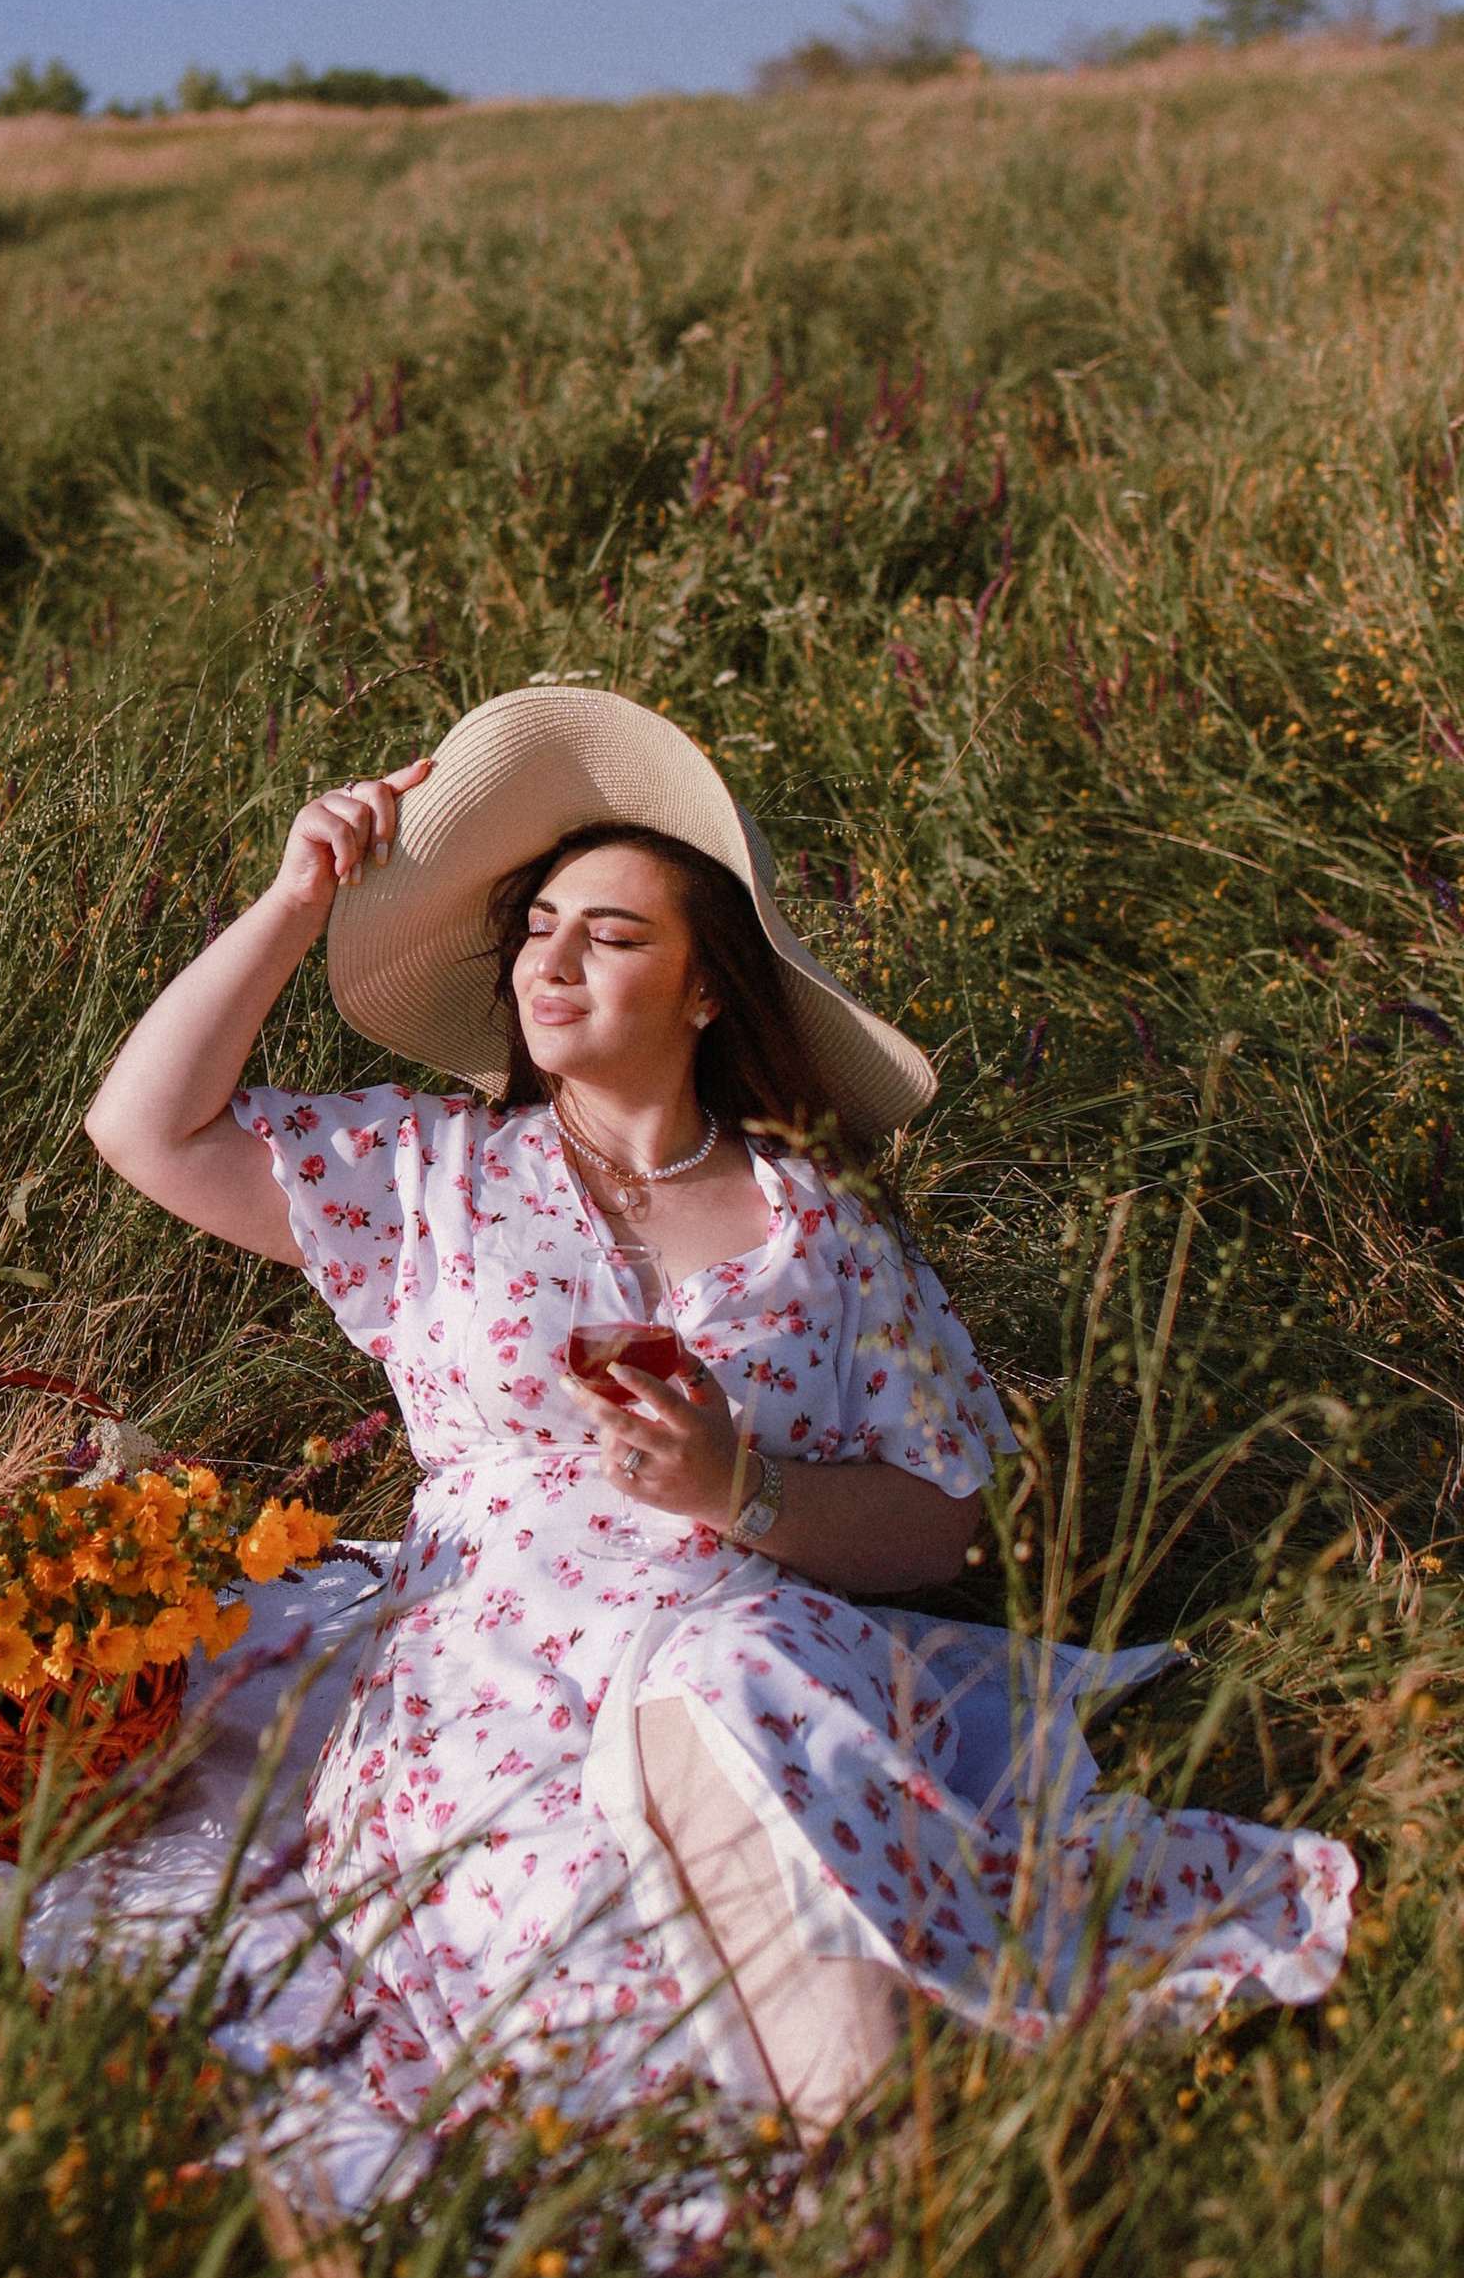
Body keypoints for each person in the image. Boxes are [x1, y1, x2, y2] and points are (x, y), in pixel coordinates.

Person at [85, 684, 1354, 2164]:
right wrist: (296, 899)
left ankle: (870, 2169)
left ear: (704, 988)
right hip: (491, 1675)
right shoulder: (429, 1174)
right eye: (538, 928)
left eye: (611, 933)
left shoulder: (822, 1231)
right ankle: (884, 2151)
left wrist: (740, 1487)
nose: (555, 957)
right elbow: (147, 1128)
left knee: (721, 1669)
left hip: (749, 1636)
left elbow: (950, 1514)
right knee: (566, 1923)